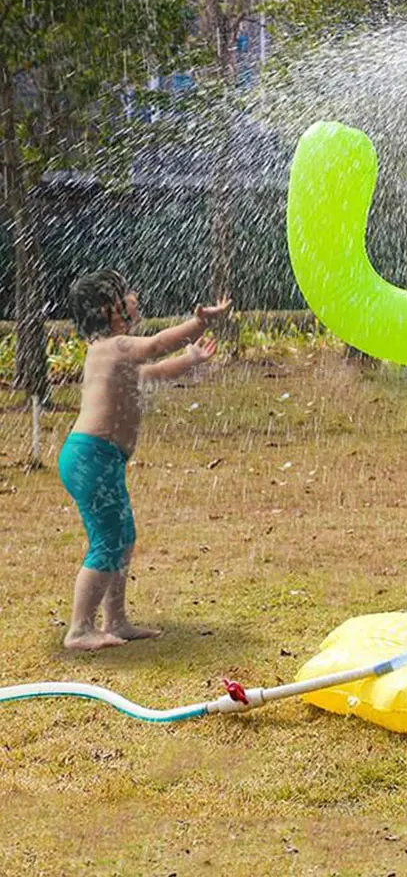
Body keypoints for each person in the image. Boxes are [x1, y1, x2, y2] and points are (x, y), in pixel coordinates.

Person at [59, 269, 232, 651]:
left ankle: (115, 621)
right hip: (92, 457)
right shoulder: (114, 346)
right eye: (127, 294)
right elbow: (155, 347)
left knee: (122, 539)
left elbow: (151, 372)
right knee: (107, 541)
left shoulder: (113, 353)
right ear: (110, 310)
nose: (136, 297)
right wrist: (197, 323)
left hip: (100, 458)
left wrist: (189, 360)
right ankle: (79, 629)